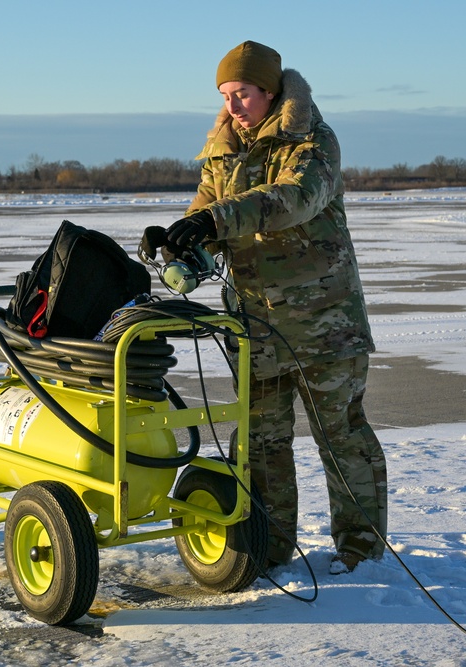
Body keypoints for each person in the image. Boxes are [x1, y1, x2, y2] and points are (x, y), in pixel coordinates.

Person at [141, 40, 387, 574]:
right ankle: (272, 548)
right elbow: (206, 208)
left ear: (270, 91)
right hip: (254, 325)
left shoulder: (312, 140)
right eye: (226, 95)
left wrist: (214, 221)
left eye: (243, 93)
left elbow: (295, 199)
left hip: (325, 323)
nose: (233, 106)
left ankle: (362, 552)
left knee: (341, 437)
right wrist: (178, 234)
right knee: (261, 443)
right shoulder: (222, 149)